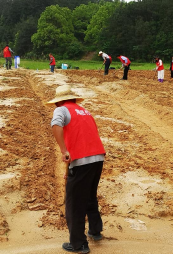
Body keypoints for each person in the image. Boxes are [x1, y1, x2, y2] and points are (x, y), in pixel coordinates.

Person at [47, 85, 106, 253]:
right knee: (89, 196)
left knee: (74, 203)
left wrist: (64, 150)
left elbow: (56, 125)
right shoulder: (84, 111)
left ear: (59, 102)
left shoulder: (62, 110)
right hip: (98, 158)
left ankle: (78, 244)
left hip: (82, 160)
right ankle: (95, 231)